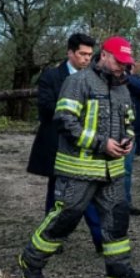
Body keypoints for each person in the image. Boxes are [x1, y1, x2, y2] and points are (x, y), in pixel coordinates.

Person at [18, 36, 140, 278]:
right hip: (79, 169)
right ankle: (30, 261)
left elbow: (129, 121)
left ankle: (118, 271)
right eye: (119, 61)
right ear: (104, 55)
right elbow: (65, 121)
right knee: (65, 219)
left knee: (117, 221)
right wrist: (101, 143)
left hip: (112, 171)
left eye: (126, 63)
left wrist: (127, 140)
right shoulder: (77, 82)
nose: (122, 67)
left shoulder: (122, 87)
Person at [25, 33, 103, 253]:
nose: (86, 59)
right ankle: (51, 237)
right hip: (56, 145)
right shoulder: (51, 76)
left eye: (89, 54)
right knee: (57, 195)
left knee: (88, 194)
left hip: (85, 147)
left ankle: (100, 240)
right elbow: (46, 108)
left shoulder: (96, 78)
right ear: (70, 53)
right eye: (82, 54)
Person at [123, 71, 140, 215]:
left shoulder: (133, 81)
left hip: (129, 131)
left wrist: (126, 77)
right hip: (107, 133)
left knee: (126, 170)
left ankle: (125, 203)